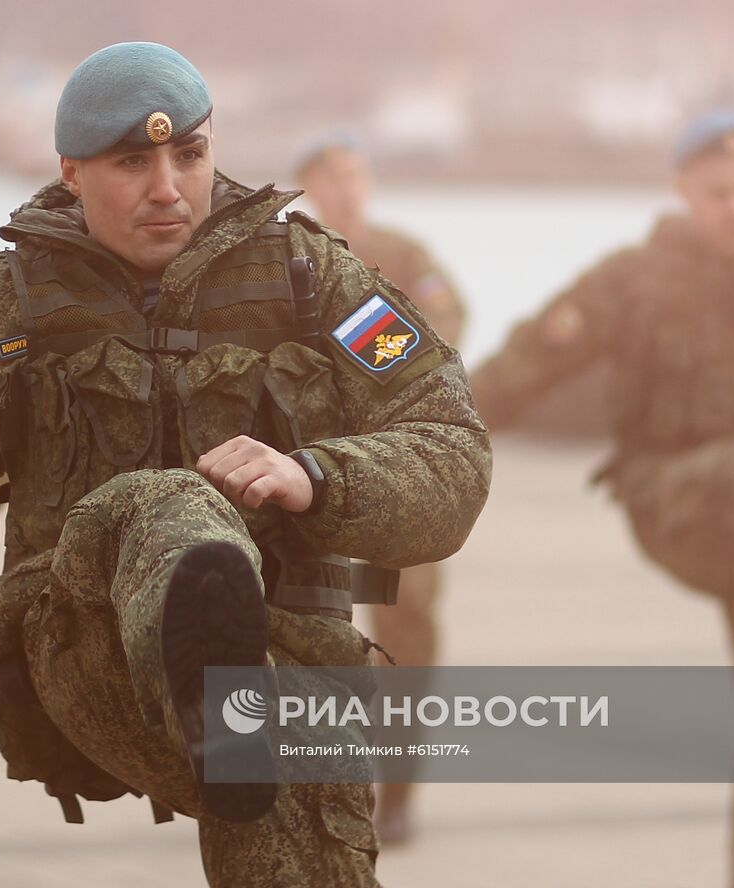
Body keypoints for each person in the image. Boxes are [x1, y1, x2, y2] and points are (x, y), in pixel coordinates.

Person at [0, 42, 491, 887]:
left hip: (287, 664)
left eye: (188, 155)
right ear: (72, 172)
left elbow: (453, 447)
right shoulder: (1, 314)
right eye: (132, 162)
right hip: (84, 653)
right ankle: (216, 681)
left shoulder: (309, 279)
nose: (168, 188)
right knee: (162, 504)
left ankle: (232, 707)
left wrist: (319, 476)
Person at [469, 110, 734, 888]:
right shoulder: (634, 279)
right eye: (721, 193)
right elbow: (527, 361)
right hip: (676, 501)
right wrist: (428, 430)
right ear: (684, 192)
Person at [296, 133, 469, 845]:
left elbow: (448, 317)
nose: (348, 190)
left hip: (397, 465)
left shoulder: (401, 252)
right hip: (311, 471)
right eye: (333, 178)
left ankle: (397, 791)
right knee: (315, 627)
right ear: (307, 187)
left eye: (358, 176)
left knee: (407, 626)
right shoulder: (287, 257)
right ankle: (331, 787)